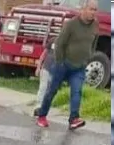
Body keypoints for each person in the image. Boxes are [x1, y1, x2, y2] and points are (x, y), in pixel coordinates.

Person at [33, 0, 98, 129]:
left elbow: (93, 42)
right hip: (63, 64)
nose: (93, 13)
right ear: (83, 9)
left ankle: (73, 119)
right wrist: (60, 61)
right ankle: (42, 116)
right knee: (51, 91)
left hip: (79, 67)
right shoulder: (71, 24)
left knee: (77, 91)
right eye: (91, 9)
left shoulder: (95, 25)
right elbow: (59, 44)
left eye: (95, 10)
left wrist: (88, 57)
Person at [35, 36, 56, 111]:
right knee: (43, 87)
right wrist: (38, 67)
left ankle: (45, 106)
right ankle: (38, 106)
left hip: (56, 71)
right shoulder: (53, 40)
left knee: (50, 90)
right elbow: (43, 54)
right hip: (46, 68)